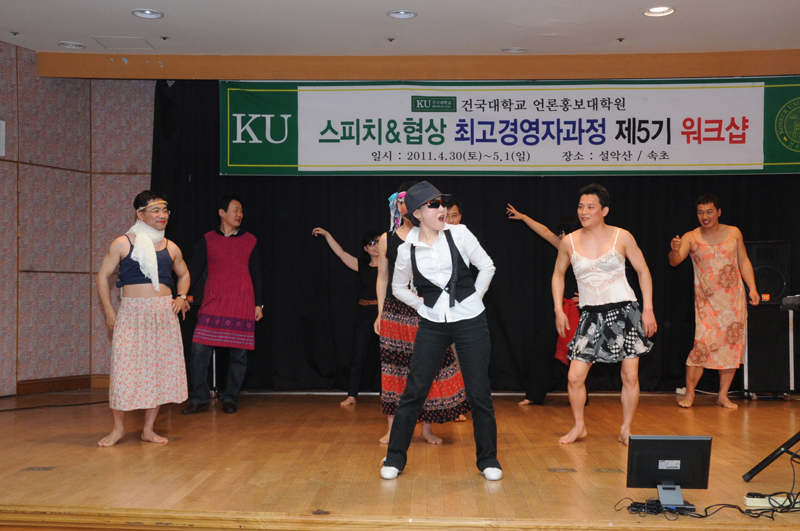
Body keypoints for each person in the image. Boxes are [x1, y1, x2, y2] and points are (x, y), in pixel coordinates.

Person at [380, 181, 500, 481]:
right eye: (433, 205)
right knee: (414, 391)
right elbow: (398, 288)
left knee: (479, 393)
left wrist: (474, 299)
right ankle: (394, 458)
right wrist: (422, 306)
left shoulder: (460, 234)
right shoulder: (406, 250)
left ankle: (488, 460)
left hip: (470, 320)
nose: (442, 209)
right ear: (417, 213)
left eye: (442, 203)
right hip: (433, 323)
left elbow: (487, 266)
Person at [552, 184, 656, 446]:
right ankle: (579, 426)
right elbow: (558, 275)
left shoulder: (622, 236)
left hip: (625, 312)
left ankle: (626, 429)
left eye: (590, 207)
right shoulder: (569, 241)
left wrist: (648, 309)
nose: (584, 212)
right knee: (574, 376)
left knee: (630, 376)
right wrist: (557, 309)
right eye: (580, 207)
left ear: (604, 210)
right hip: (590, 316)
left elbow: (643, 271)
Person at [375, 182, 470, 445]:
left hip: (428, 311)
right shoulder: (387, 239)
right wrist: (380, 313)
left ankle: (427, 428)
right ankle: (393, 429)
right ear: (398, 206)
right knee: (394, 369)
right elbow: (382, 278)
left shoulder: (435, 235)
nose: (407, 206)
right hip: (395, 313)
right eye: (403, 201)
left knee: (430, 369)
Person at [96, 191, 190, 446]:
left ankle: (148, 429)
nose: (162, 215)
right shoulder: (123, 243)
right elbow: (102, 276)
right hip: (132, 314)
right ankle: (118, 429)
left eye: (165, 210)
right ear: (140, 214)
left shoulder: (171, 247)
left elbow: (184, 274)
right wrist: (109, 311)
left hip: (163, 315)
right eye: (156, 210)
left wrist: (181, 296)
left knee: (156, 371)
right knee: (123, 370)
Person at [668, 194, 759, 409]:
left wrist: (753, 288)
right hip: (706, 304)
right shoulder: (691, 236)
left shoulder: (734, 233)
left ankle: (723, 395)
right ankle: (690, 394)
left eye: (709, 211)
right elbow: (675, 261)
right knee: (701, 347)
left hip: (733, 302)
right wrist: (674, 249)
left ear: (718, 212)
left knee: (730, 347)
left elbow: (743, 261)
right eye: (700, 212)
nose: (705, 216)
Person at [182, 195, 263, 415]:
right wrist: (182, 295)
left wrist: (259, 304)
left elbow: (256, 273)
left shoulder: (250, 240)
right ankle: (199, 398)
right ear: (222, 212)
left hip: (242, 302)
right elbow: (194, 269)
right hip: (213, 302)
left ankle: (230, 397)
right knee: (199, 350)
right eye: (236, 210)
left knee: (239, 355)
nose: (240, 214)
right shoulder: (208, 239)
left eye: (241, 210)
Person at [507, 205, 581, 405]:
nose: (561, 235)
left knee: (579, 354)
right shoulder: (564, 247)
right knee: (543, 350)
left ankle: (581, 398)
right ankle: (534, 395)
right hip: (560, 308)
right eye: (561, 232)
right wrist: (524, 217)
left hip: (578, 311)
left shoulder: (588, 252)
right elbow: (545, 232)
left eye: (565, 232)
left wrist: (587, 298)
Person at [312, 227, 381, 406]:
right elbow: (341, 253)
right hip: (364, 316)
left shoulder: (390, 266)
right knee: (358, 357)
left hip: (383, 316)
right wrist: (327, 235)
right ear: (365, 248)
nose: (375, 246)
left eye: (378, 242)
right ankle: (352, 395)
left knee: (386, 358)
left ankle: (388, 395)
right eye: (371, 243)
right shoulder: (361, 265)